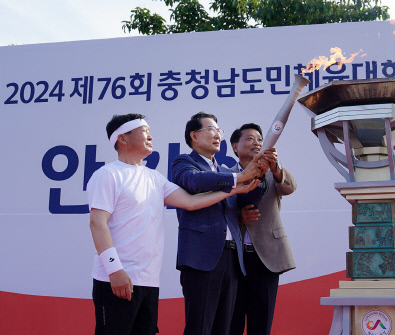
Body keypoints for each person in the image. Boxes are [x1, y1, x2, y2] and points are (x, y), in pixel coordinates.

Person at [87, 113, 259, 335]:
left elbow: (190, 202)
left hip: (148, 281)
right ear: (123, 138)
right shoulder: (107, 175)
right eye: (144, 132)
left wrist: (234, 190)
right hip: (117, 277)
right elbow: (97, 224)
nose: (150, 136)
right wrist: (114, 270)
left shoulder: (154, 178)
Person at [170, 112, 268, 335]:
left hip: (232, 259)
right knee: (200, 327)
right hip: (201, 258)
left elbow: (245, 200)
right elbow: (194, 182)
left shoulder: (225, 171)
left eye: (219, 131)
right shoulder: (184, 163)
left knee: (224, 328)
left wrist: (259, 174)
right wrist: (239, 178)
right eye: (212, 130)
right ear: (194, 135)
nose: (218, 135)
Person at [228, 123, 297, 335]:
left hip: (265, 257)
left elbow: (289, 188)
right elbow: (220, 212)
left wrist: (275, 167)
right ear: (235, 147)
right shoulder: (226, 177)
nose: (256, 143)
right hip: (234, 259)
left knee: (261, 322)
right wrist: (237, 218)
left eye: (259, 139)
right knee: (232, 321)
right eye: (249, 139)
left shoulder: (272, 173)